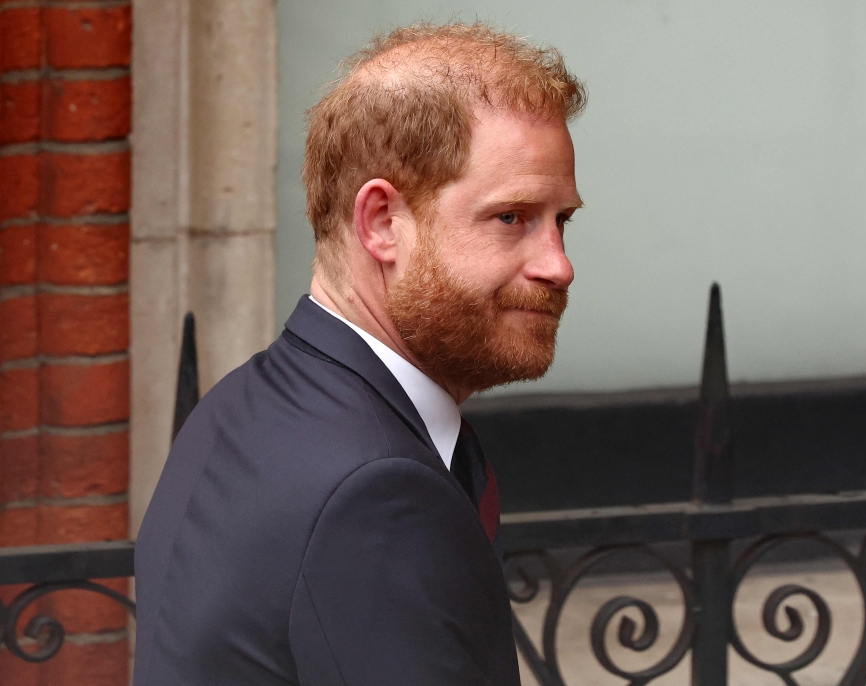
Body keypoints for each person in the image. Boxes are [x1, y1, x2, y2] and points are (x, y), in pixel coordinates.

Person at [134, 22, 585, 686]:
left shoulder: (245, 404)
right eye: (511, 218)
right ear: (381, 222)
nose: (559, 265)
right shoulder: (376, 492)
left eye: (562, 220)